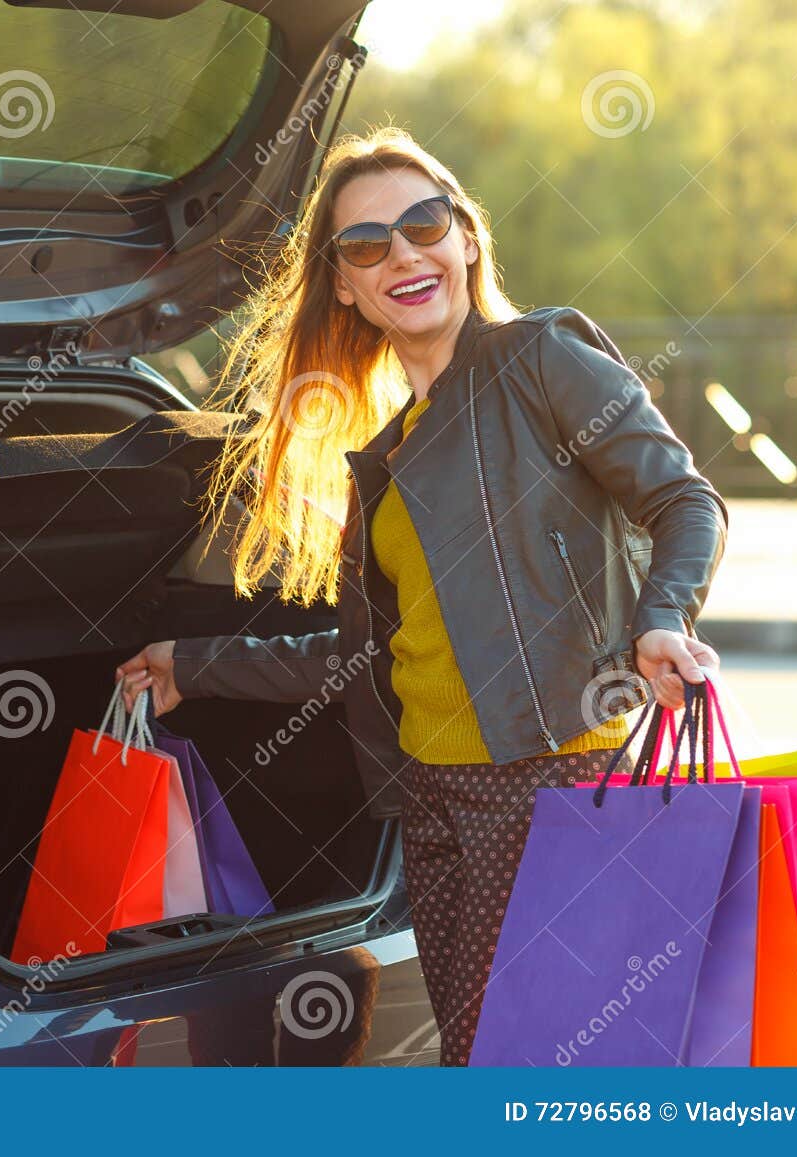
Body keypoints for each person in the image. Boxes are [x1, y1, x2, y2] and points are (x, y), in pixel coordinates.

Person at [115, 126, 727, 1066]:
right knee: (485, 1057)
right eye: (366, 245)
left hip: (554, 773)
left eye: (423, 223)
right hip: (432, 798)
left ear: (466, 238)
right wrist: (189, 665)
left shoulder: (539, 357)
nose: (403, 252)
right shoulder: (387, 456)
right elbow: (363, 660)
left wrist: (658, 622)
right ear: (346, 287)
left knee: (542, 1063)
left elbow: (686, 500)